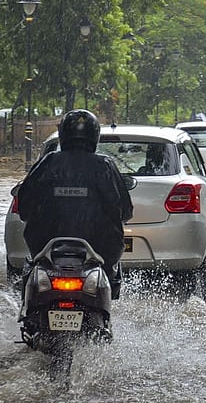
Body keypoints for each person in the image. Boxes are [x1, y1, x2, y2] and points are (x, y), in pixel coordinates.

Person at [16, 109, 133, 298]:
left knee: (30, 268)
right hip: (100, 251)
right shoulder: (105, 166)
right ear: (94, 136)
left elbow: (24, 205)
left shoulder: (47, 162)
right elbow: (125, 210)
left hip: (45, 249)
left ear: (63, 134)